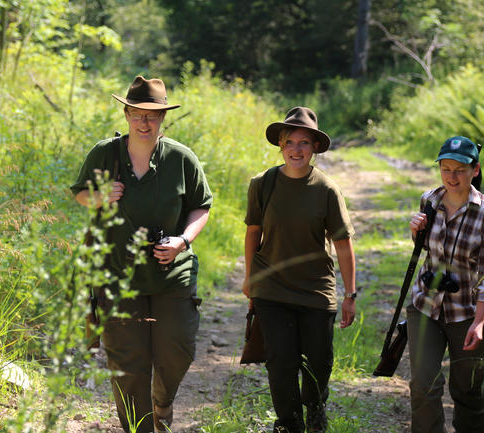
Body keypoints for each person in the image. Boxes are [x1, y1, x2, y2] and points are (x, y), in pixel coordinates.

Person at [70, 76, 212, 433]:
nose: (144, 122)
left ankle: (162, 402)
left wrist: (183, 239)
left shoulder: (181, 158)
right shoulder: (105, 153)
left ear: (163, 117)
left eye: (153, 115)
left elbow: (201, 207)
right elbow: (81, 195)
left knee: (175, 353)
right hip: (118, 274)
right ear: (126, 113)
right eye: (137, 114)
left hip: (171, 274)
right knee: (129, 365)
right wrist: (101, 195)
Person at [242, 107, 357, 433]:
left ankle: (316, 410)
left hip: (315, 289)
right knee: (281, 363)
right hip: (271, 287)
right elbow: (253, 233)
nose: (296, 149)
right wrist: (250, 278)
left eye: (304, 142)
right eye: (290, 141)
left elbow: (343, 244)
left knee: (318, 362)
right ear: (280, 144)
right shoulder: (262, 184)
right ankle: (288, 424)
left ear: (315, 147)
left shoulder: (327, 190)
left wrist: (350, 293)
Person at [407, 136, 484, 433]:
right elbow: (428, 252)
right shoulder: (430, 200)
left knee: (468, 391)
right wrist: (416, 233)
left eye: (459, 169)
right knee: (424, 387)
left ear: (475, 170)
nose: (452, 176)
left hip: (467, 312)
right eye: (445, 168)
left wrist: (479, 321)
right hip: (426, 306)